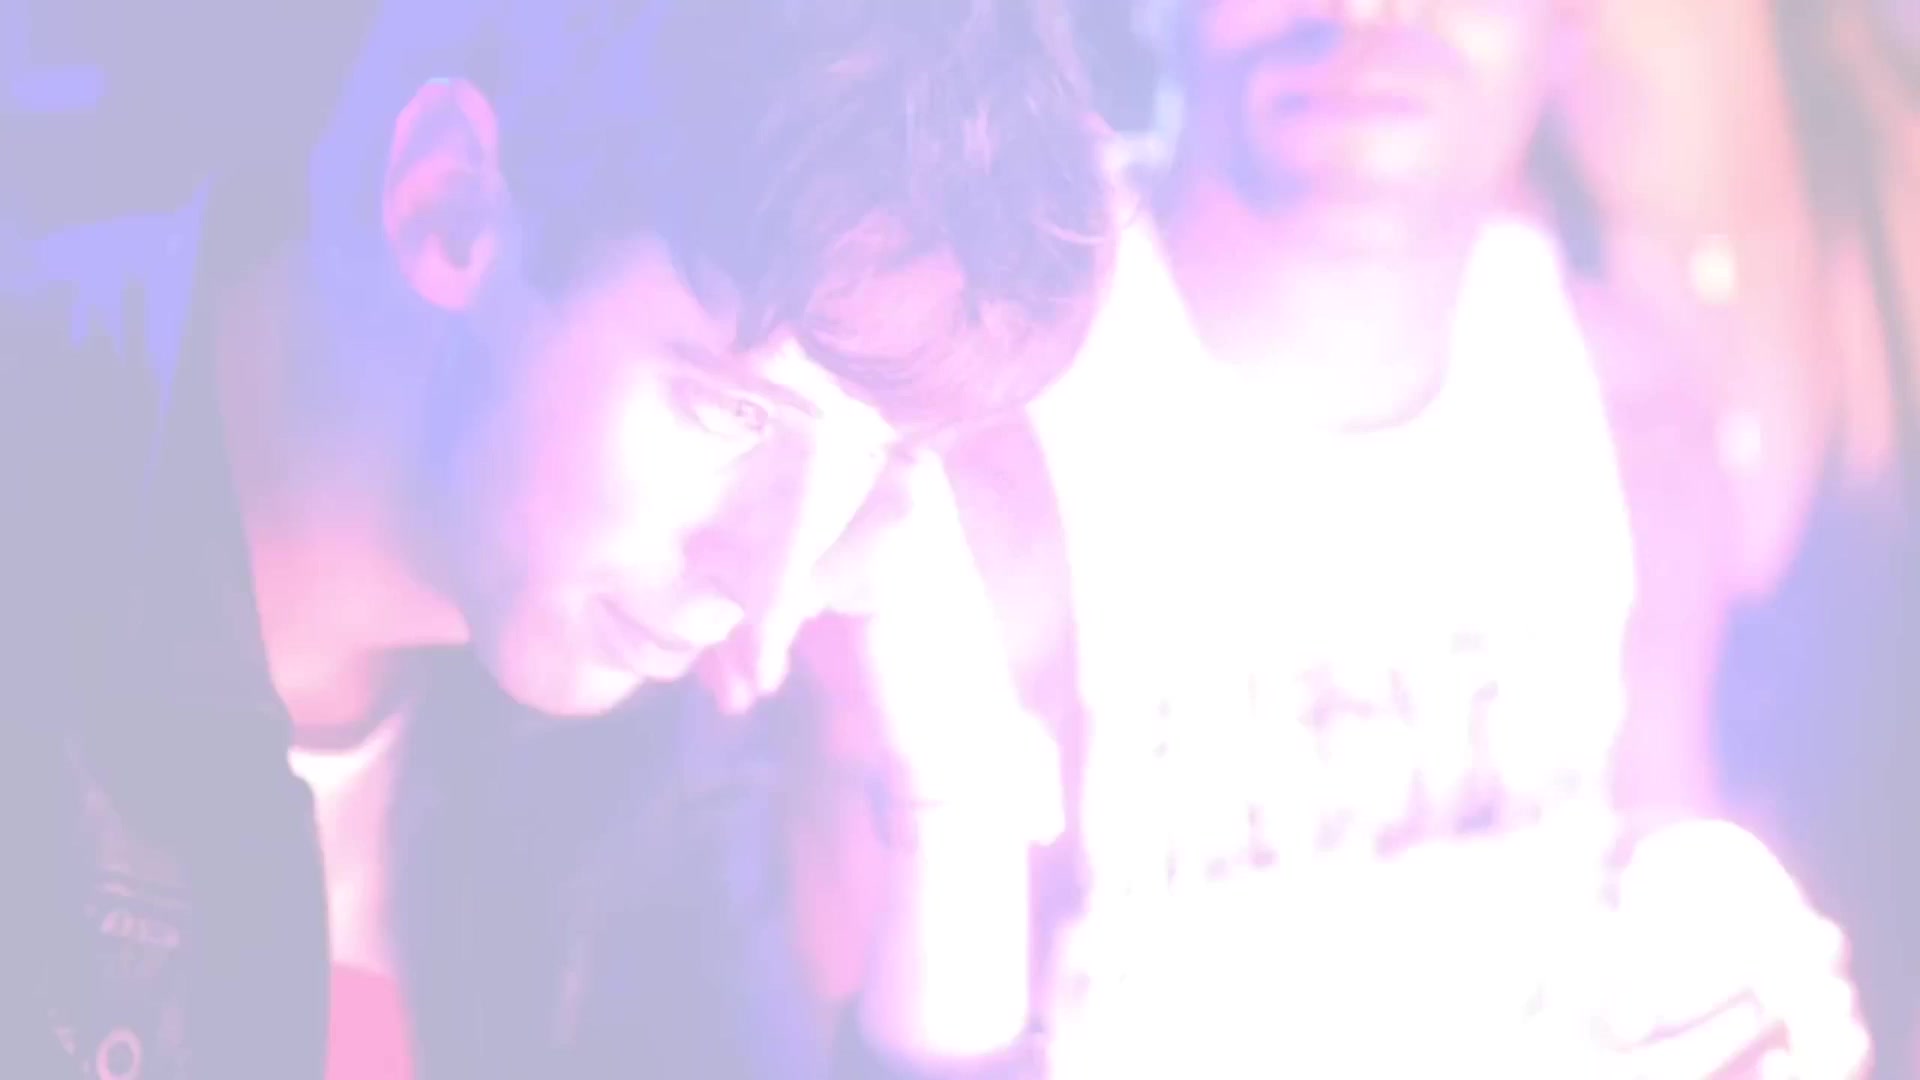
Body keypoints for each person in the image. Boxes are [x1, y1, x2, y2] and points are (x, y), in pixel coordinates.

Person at [0, 0, 1113, 1075]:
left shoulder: (633, 715)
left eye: (880, 453)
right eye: (733, 411)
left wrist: (957, 783)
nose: (769, 589)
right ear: (449, 206)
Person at [1014, 0, 1871, 1075]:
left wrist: (1749, 1005)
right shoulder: (981, 417)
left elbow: (1673, 865)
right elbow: (895, 1025)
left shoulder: (1631, 416)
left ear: (1565, 30)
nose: (1367, 18)